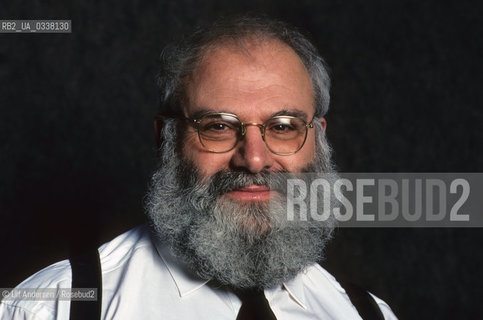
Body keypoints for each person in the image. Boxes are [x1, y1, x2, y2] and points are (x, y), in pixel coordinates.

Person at [0, 15, 397, 319]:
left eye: (283, 127)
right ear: (167, 138)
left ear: (318, 139)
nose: (254, 158)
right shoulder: (50, 308)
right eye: (219, 126)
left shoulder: (366, 314)